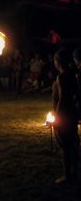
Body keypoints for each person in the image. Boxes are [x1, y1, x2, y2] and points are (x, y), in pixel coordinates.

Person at [52, 48, 79, 184]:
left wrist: (57, 118)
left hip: (64, 114)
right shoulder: (73, 75)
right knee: (73, 143)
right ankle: (74, 172)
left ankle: (68, 175)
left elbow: (63, 98)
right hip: (72, 114)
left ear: (58, 62)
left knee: (64, 146)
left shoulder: (62, 76)